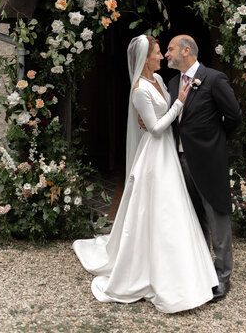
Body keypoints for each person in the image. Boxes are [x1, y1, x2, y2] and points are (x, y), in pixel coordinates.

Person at [73, 34, 218, 313]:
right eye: (156, 53)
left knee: (174, 208)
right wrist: (181, 102)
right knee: (160, 208)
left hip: (167, 155)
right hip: (155, 155)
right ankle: (154, 272)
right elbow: (155, 128)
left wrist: (175, 106)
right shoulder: (139, 89)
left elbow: (161, 116)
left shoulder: (160, 81)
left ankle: (186, 270)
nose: (162, 56)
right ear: (144, 58)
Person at [166, 35, 242, 302]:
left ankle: (223, 276)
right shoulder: (173, 83)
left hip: (209, 159)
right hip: (180, 160)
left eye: (171, 49)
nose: (166, 54)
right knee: (193, 217)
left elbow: (234, 117)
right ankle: (200, 272)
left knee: (216, 215)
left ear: (186, 51)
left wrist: (215, 141)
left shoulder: (214, 79)